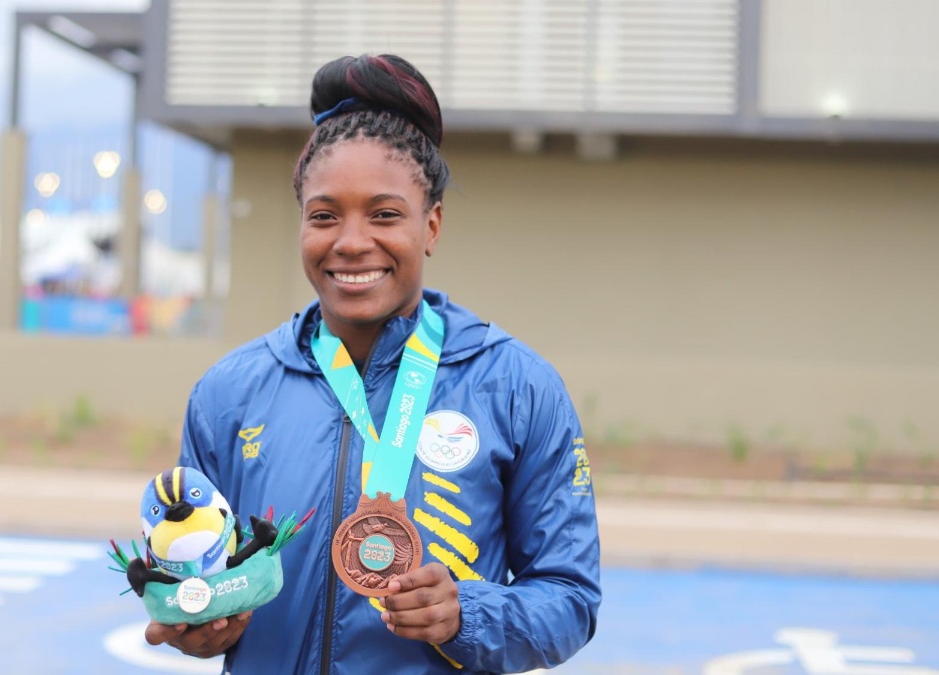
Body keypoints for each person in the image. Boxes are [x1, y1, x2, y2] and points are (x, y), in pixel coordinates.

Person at [145, 53, 600, 674]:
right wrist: (199, 623)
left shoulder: (518, 387)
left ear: (431, 226)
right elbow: (204, 572)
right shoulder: (230, 392)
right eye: (324, 216)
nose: (352, 242)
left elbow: (571, 599)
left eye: (385, 214)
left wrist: (467, 615)